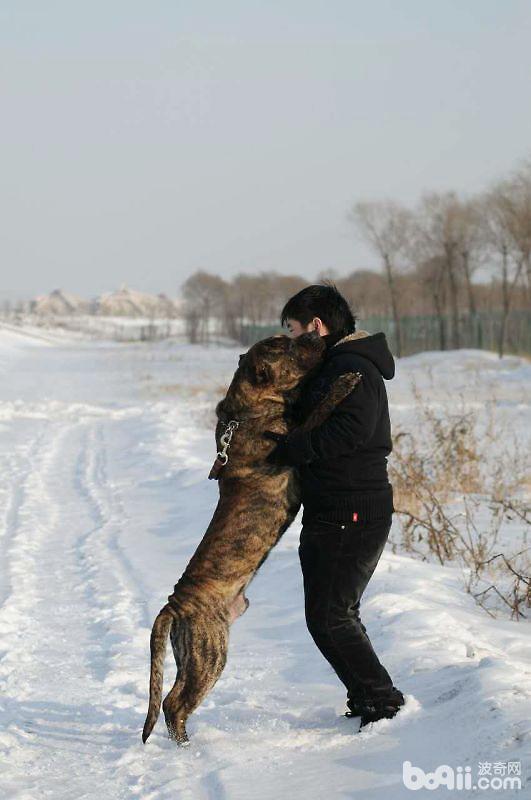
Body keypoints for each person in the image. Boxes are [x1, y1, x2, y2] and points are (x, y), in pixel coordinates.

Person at [264, 284, 405, 729]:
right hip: (338, 506)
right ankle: (369, 698)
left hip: (352, 508)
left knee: (329, 616)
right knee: (334, 614)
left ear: (317, 327)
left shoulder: (352, 368)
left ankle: (383, 703)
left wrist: (292, 449)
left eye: (293, 330)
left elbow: (351, 434)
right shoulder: (336, 365)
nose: (289, 340)